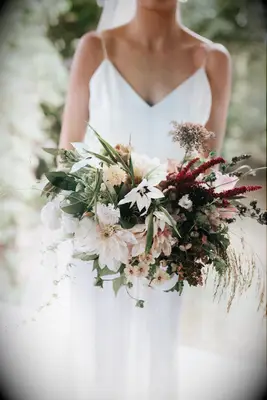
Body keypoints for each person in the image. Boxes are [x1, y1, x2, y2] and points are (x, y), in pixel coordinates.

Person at [58, 1, 233, 399]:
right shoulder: (95, 49)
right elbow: (67, 157)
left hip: (169, 247)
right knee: (102, 357)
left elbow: (207, 168)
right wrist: (95, 215)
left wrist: (191, 227)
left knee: (158, 354)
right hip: (101, 241)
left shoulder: (213, 61)